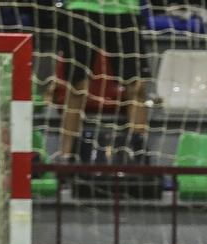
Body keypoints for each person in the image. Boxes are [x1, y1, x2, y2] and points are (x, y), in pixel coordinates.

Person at [57, 0, 148, 162]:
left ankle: (139, 157)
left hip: (125, 9)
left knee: (136, 87)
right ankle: (66, 157)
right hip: (81, 7)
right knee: (77, 87)